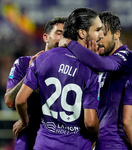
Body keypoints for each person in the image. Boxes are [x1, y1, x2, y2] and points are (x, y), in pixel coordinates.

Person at [15, 7, 103, 150]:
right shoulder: (90, 69)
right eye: (97, 30)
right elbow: (90, 122)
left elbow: (20, 100)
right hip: (76, 145)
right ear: (82, 33)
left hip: (44, 144)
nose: (100, 35)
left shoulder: (43, 58)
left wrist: (25, 121)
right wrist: (95, 137)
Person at [59, 11, 132, 150]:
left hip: (116, 141)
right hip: (98, 139)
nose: (99, 39)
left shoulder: (127, 57)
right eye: (97, 34)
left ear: (117, 34)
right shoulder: (98, 60)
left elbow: (103, 64)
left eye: (104, 35)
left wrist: (70, 44)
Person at [4, 17, 67, 150]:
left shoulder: (71, 70)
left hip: (58, 140)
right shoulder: (23, 64)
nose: (62, 39)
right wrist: (30, 74)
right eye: (59, 33)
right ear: (46, 37)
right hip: (28, 138)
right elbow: (9, 101)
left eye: (66, 35)